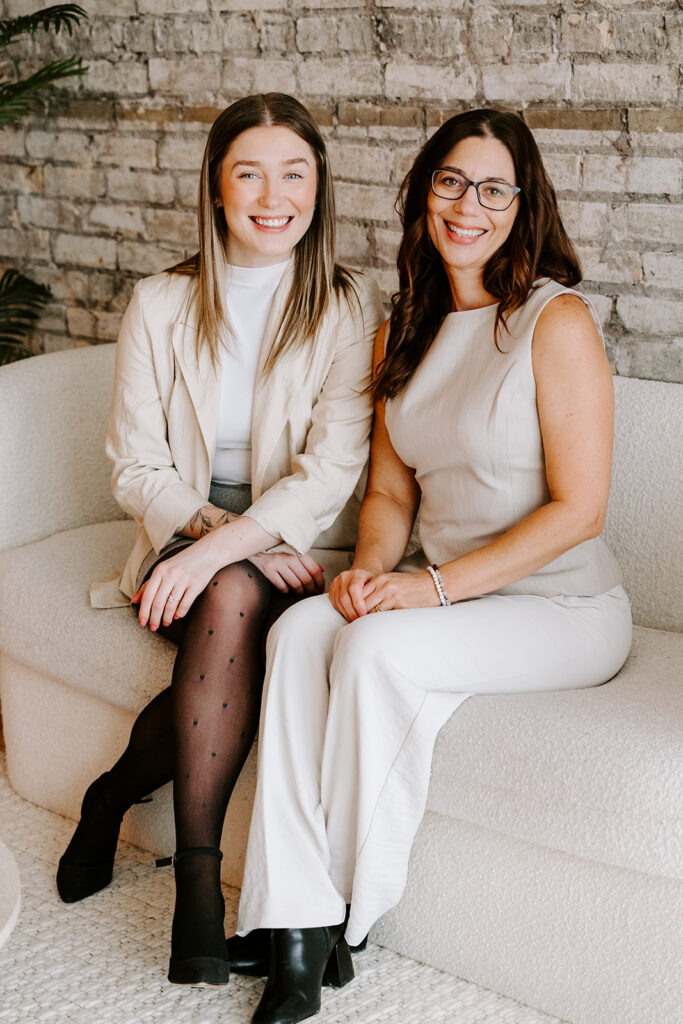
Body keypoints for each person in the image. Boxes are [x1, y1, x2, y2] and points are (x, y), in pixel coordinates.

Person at [232, 108, 633, 1024]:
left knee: (374, 654)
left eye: (494, 189)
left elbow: (582, 511)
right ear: (422, 195)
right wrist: (369, 573)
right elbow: (389, 498)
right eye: (451, 181)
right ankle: (287, 921)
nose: (469, 206)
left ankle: (343, 916)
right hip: (442, 595)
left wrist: (426, 591)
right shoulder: (398, 333)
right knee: (301, 633)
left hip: (561, 608)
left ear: (521, 207)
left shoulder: (553, 321)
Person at [56, 92, 383, 989]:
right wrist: (213, 538)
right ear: (215, 186)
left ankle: (113, 798)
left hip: (298, 540)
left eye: (294, 173)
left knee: (235, 590)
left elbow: (332, 467)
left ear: (318, 187)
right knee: (234, 592)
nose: (272, 195)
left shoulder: (348, 305)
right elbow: (133, 464)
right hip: (184, 531)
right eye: (249, 172)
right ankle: (198, 888)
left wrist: (236, 544)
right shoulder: (161, 302)